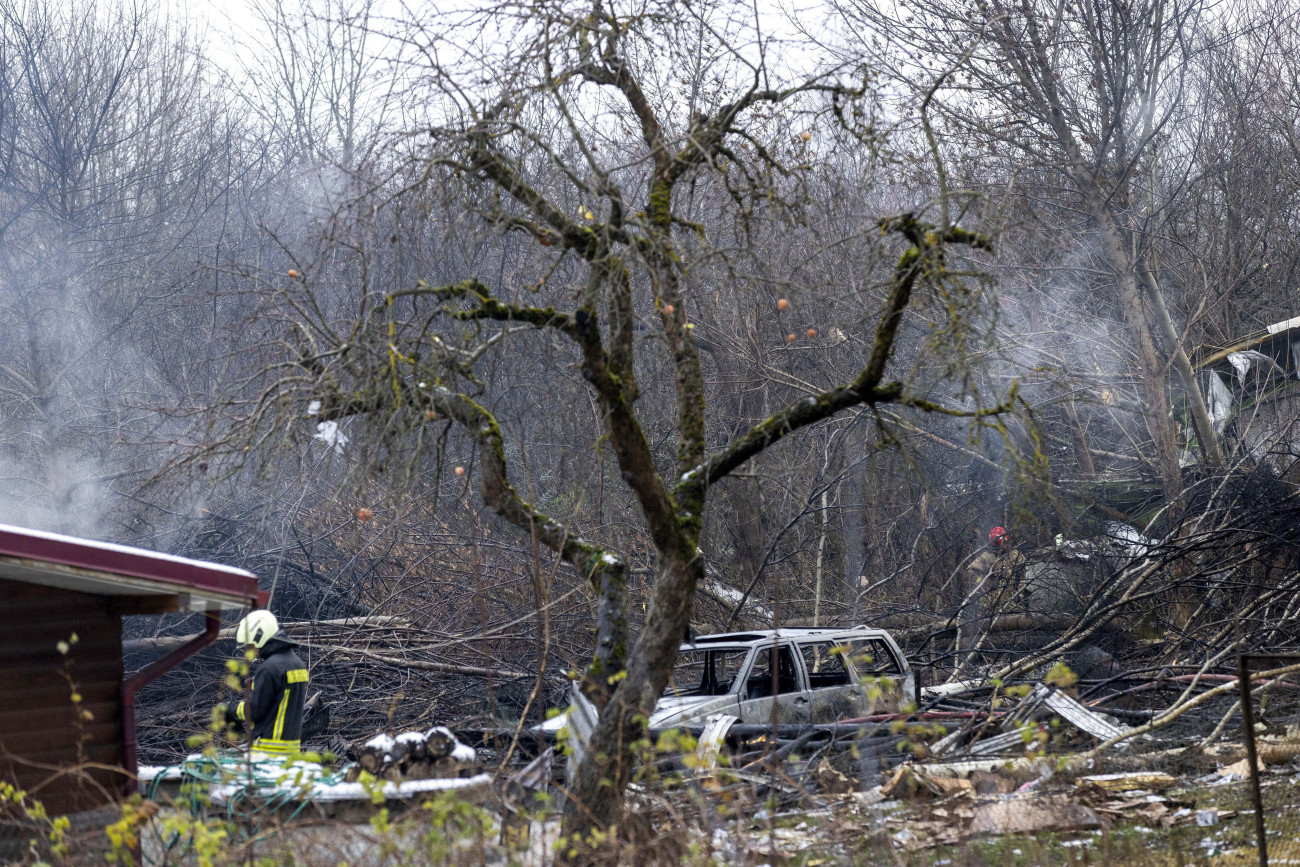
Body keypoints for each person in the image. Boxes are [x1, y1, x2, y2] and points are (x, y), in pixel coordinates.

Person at [222, 610, 310, 756]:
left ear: (261, 638)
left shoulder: (270, 668)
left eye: (251, 645)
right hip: (291, 749)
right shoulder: (297, 664)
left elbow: (255, 711)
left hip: (269, 751)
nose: (252, 651)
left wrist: (230, 708)